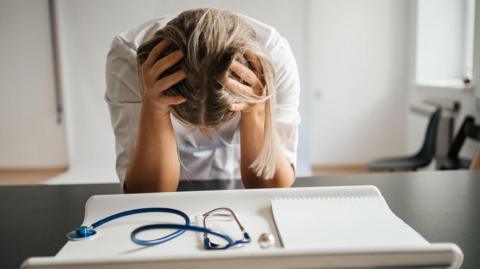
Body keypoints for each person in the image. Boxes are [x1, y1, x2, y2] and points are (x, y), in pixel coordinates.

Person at [105, 8, 300, 193]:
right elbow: (149, 195)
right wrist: (153, 109)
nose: (204, 132)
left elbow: (272, 188)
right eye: (188, 123)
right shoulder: (129, 59)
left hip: (239, 169)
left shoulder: (274, 58)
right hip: (165, 167)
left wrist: (256, 111)